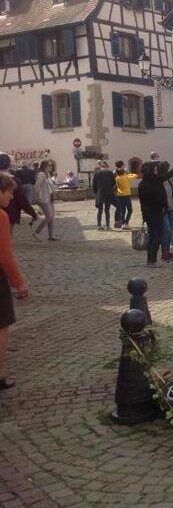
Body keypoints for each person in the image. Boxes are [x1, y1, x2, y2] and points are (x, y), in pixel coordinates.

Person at [0, 174, 29, 391]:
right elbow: (4, 254)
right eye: (9, 191)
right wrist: (18, 281)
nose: (11, 196)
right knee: (1, 325)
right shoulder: (1, 216)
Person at [0, 153, 37, 233]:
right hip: (10, 213)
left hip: (8, 213)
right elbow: (21, 200)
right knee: (6, 238)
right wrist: (32, 213)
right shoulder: (13, 181)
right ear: (9, 164)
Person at [138, 162, 166, 267]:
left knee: (152, 236)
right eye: (154, 170)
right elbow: (157, 198)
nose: (156, 172)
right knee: (157, 236)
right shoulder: (153, 183)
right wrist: (163, 205)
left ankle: (150, 259)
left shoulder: (142, 184)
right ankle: (152, 260)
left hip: (147, 213)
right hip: (155, 212)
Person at [157, 161, 173, 261]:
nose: (168, 170)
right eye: (166, 168)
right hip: (163, 210)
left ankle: (167, 251)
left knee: (170, 231)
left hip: (171, 209)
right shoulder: (159, 180)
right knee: (166, 230)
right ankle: (164, 253)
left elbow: (172, 191)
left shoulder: (167, 180)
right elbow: (172, 172)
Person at [33, 161, 57, 241]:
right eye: (50, 165)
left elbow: (50, 186)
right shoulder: (41, 174)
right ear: (45, 166)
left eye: (52, 165)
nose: (51, 167)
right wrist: (36, 197)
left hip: (50, 198)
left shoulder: (48, 175)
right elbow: (36, 186)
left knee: (52, 218)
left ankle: (51, 236)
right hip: (43, 198)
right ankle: (36, 233)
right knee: (49, 217)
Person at [114, 161, 139, 230]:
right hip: (127, 195)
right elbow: (135, 175)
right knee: (130, 210)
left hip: (120, 195)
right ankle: (126, 223)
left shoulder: (117, 178)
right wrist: (127, 172)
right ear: (123, 172)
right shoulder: (126, 177)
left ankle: (122, 224)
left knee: (123, 210)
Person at [92, 161, 116, 230]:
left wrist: (96, 193)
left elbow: (94, 185)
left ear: (100, 167)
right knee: (107, 210)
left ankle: (99, 225)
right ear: (107, 167)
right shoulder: (110, 173)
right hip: (108, 194)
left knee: (100, 210)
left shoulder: (97, 174)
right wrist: (111, 190)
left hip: (100, 194)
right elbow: (114, 184)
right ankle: (108, 226)